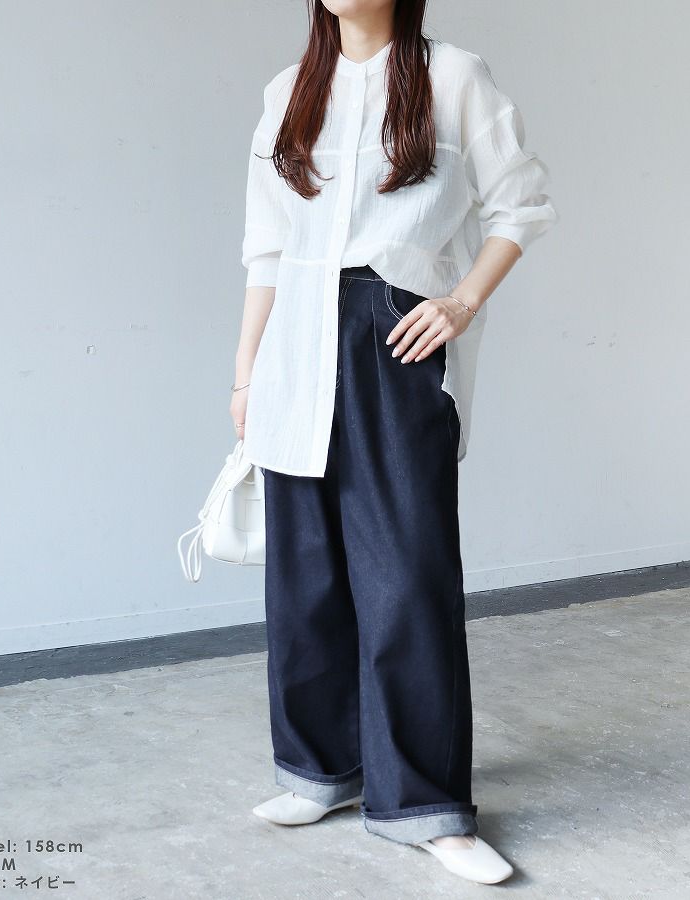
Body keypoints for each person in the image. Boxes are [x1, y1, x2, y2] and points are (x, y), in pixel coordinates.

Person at [232, 0, 557, 886]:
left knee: (408, 577)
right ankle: (320, 771)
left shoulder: (452, 76)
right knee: (305, 576)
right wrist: (246, 372)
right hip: (294, 339)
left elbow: (521, 204)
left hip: (391, 333)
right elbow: (267, 248)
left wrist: (459, 303)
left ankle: (425, 804)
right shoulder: (288, 91)